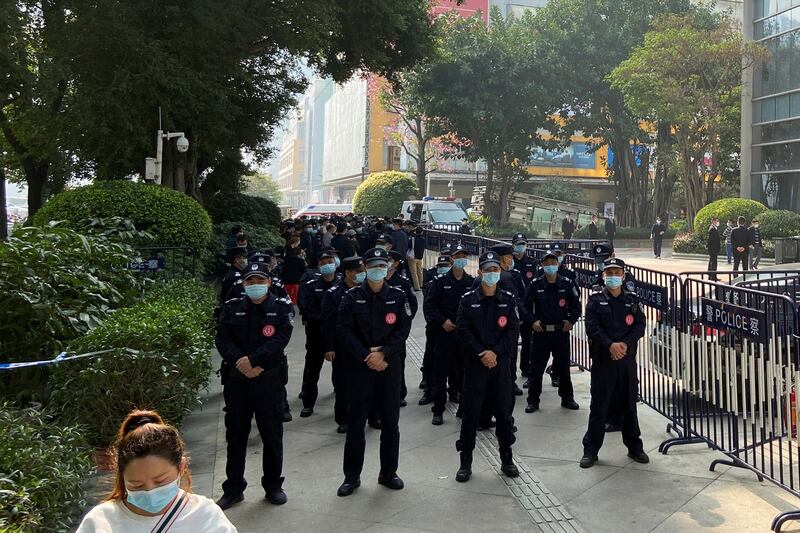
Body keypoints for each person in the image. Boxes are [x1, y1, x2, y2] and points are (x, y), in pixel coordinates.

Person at [77, 410, 237, 532]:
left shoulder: (206, 516)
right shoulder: (99, 522)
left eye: (160, 481)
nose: (150, 492)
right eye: (136, 485)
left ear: (181, 467)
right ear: (121, 475)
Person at [215, 263, 294, 509]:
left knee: (272, 435)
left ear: (269, 282)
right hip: (237, 380)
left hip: (268, 379)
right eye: (250, 282)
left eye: (260, 280)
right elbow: (222, 338)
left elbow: (281, 338)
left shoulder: (281, 307)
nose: (255, 285)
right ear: (244, 284)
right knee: (236, 435)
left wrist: (253, 360)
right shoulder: (232, 307)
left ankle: (273, 486)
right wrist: (241, 363)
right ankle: (234, 488)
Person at [336, 248, 412, 497]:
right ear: (365, 268)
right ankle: (351, 476)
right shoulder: (351, 297)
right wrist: (366, 356)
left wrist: (383, 354)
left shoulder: (398, 296)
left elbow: (402, 330)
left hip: (389, 365)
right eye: (373, 265)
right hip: (361, 367)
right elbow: (344, 331)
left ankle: (389, 472)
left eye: (383, 265)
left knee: (391, 422)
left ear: (388, 267)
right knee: (356, 422)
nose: (378, 269)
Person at [454, 251, 520, 483]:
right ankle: (465, 462)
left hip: (500, 366)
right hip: (476, 366)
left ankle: (507, 459)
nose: (492, 274)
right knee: (471, 415)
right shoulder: (468, 299)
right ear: (479, 272)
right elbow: (462, 331)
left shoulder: (508, 299)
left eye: (495, 270)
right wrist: (482, 352)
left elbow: (513, 331)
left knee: (503, 414)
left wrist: (495, 352)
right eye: (487, 270)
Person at [580, 258, 647, 469]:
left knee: (629, 405)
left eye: (617, 273)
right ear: (603, 276)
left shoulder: (633, 300)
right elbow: (592, 327)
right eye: (609, 273)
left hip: (626, 361)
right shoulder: (595, 300)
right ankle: (590, 450)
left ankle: (634, 447)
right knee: (599, 406)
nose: (613, 277)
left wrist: (624, 344)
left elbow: (639, 326)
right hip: (604, 361)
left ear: (624, 276)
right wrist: (610, 345)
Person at [523, 250, 581, 413]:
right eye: (547, 263)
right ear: (542, 265)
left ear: (558, 264)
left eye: (553, 263)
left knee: (563, 368)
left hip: (560, 333)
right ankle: (533, 400)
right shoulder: (535, 284)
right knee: (537, 369)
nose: (550, 266)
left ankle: (567, 398)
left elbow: (576, 305)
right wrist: (532, 321)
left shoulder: (567, 283)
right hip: (541, 333)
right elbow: (524, 305)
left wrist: (571, 321)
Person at [423, 244, 474, 425]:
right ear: (451, 258)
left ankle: (459, 401)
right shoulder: (440, 281)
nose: (461, 258)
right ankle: (438, 409)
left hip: (463, 335)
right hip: (444, 334)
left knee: (462, 371)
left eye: (464, 255)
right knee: (440, 371)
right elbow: (430, 306)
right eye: (457, 255)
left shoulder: (471, 282)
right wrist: (442, 321)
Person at [321, 256, 366, 433]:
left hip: (364, 345)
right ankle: (343, 418)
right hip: (343, 346)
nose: (363, 274)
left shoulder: (366, 290)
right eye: (359, 271)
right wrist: (328, 346)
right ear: (348, 273)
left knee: (365, 383)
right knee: (343, 383)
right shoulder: (334, 293)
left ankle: (371, 414)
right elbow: (327, 322)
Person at [297, 251, 340, 418]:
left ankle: (340, 396)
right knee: (312, 370)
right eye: (323, 263)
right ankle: (308, 403)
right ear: (318, 266)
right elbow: (307, 307)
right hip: (316, 334)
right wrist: (327, 317)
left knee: (340, 371)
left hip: (337, 335)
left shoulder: (341, 284)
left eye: (330, 261)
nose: (327, 265)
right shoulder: (310, 285)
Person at [419, 252, 453, 406]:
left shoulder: (461, 280)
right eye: (441, 266)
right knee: (432, 359)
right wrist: (438, 321)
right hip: (435, 326)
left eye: (446, 266)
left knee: (455, 362)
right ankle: (429, 389)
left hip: (453, 328)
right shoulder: (432, 278)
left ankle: (454, 390)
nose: (443, 269)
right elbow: (428, 304)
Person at [386, 249, 418, 406]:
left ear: (396, 263)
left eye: (389, 260)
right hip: (379, 332)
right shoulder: (374, 280)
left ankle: (399, 393)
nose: (386, 264)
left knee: (398, 363)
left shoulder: (403, 282)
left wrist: (405, 322)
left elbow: (412, 304)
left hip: (397, 332)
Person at [511, 233, 538, 380]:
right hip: (512, 305)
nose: (520, 247)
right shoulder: (509, 262)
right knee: (512, 340)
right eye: (518, 244)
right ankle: (511, 373)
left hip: (527, 305)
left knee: (528, 340)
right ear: (513, 245)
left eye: (523, 244)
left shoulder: (532, 263)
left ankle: (526, 369)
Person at [407, 222, 426, 291]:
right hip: (420, 258)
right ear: (422, 232)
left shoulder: (413, 239)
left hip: (412, 258)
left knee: (413, 273)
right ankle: (421, 285)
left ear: (415, 232)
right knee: (420, 272)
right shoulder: (423, 239)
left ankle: (416, 287)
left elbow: (409, 246)